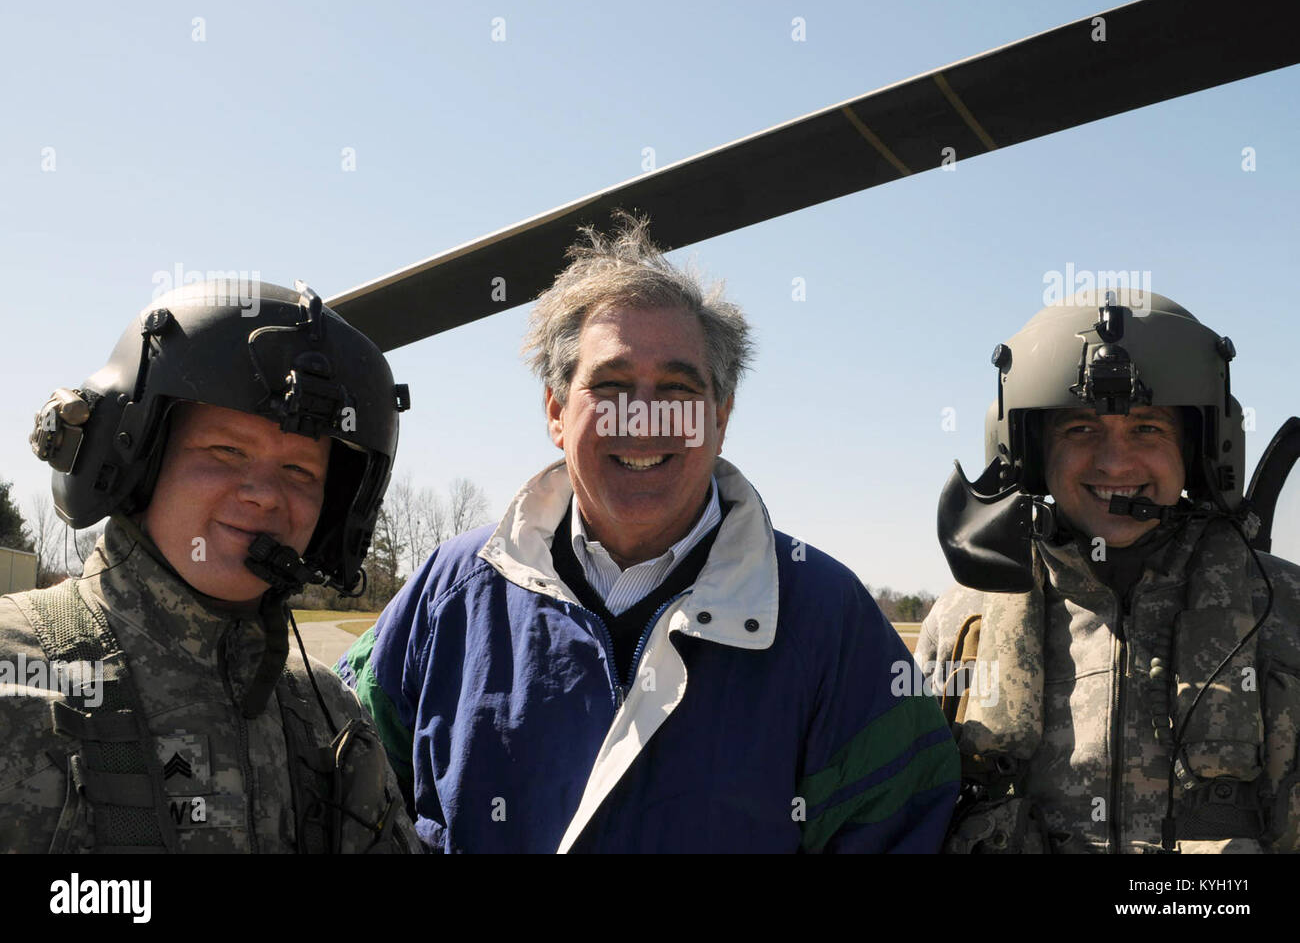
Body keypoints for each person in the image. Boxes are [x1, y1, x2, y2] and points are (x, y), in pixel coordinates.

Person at [337, 214, 959, 853]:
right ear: (556, 411)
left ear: (720, 416)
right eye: (609, 387)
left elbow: (902, 828)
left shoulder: (829, 623)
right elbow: (335, 786)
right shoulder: (448, 597)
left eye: (676, 390)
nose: (643, 418)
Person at [0, 279, 418, 853]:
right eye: (227, 452)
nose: (264, 495)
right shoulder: (14, 674)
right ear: (137, 460)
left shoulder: (326, 717)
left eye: (300, 471)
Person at [917, 288, 1300, 853]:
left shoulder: (1286, 609)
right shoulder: (963, 625)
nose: (1114, 462)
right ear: (1030, 453)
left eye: (1147, 428)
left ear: (1197, 451)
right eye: (1080, 430)